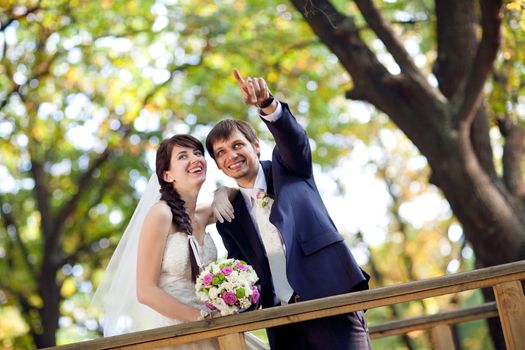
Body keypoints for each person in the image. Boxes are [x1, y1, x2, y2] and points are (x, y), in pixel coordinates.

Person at [205, 69, 371, 350]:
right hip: (280, 321)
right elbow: (245, 274)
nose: (231, 155)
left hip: (332, 301)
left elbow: (293, 140)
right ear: (219, 165)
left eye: (237, 145)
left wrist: (267, 104)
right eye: (220, 153)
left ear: (256, 146)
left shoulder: (290, 170)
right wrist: (225, 303)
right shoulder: (228, 216)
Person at [92, 135, 232, 349]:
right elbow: (146, 291)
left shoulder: (201, 215)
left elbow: (239, 193)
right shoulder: (161, 213)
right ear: (167, 175)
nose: (195, 159)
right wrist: (201, 317)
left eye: (197, 153)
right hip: (176, 330)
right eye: (183, 156)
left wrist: (221, 193)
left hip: (211, 324)